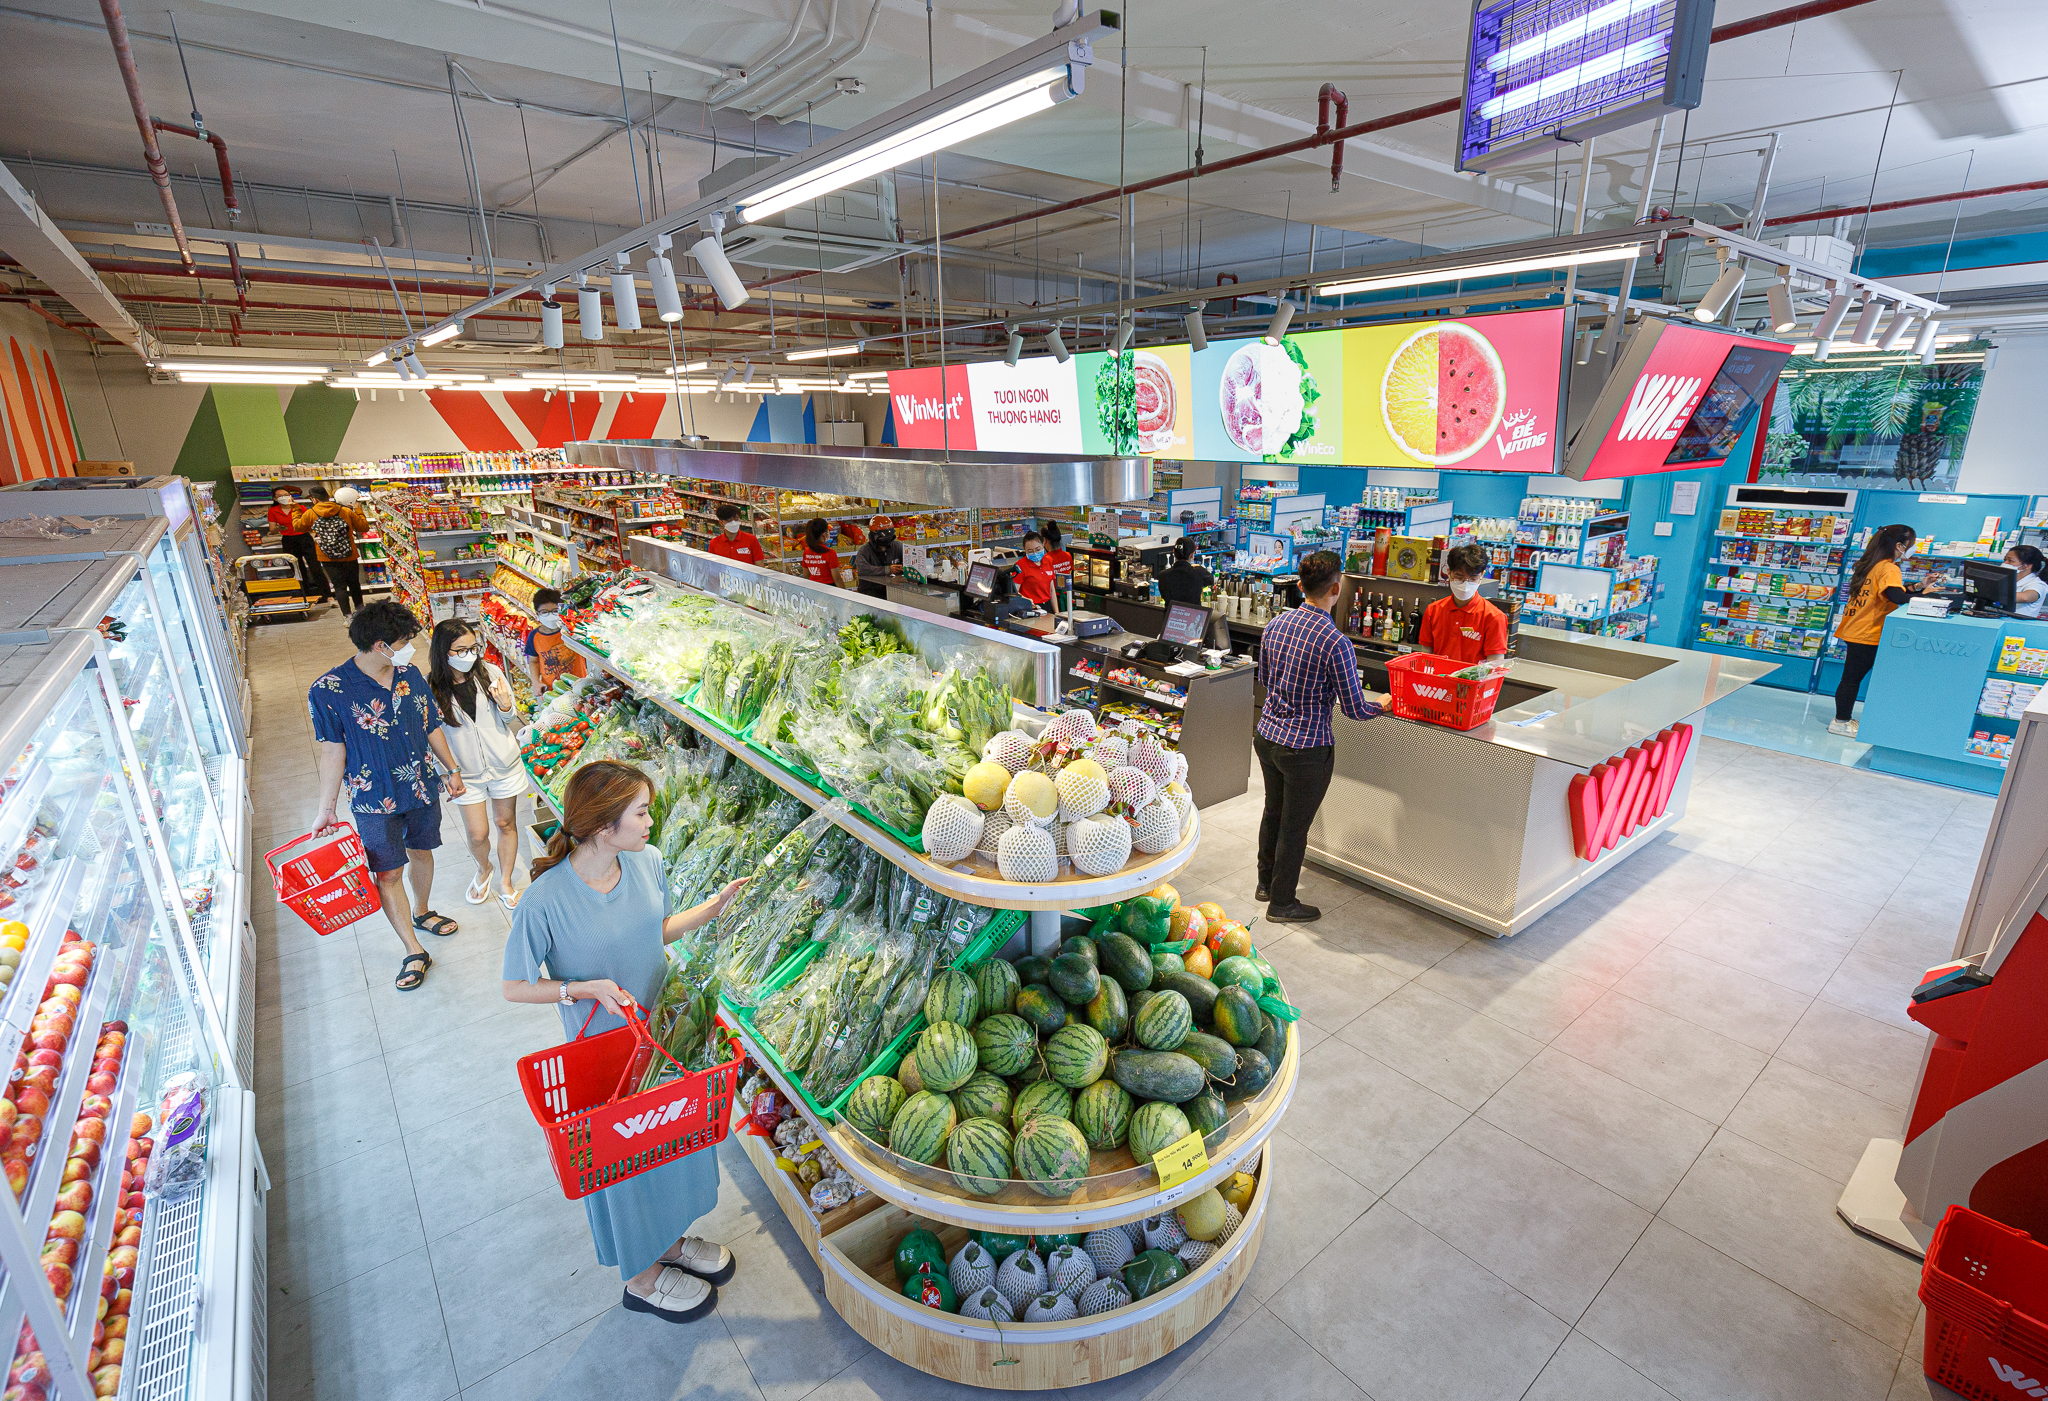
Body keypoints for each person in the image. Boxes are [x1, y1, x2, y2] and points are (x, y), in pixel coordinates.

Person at [501, 760, 748, 1321]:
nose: (651, 819)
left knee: (669, 1147)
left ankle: (667, 1244)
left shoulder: (647, 862)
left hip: (662, 1039)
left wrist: (712, 910)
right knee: (623, 1161)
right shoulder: (545, 899)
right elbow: (515, 986)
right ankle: (641, 1277)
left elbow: (653, 930)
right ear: (602, 827)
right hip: (605, 1055)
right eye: (641, 811)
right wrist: (580, 989)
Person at [309, 600, 467, 990]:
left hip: (419, 784)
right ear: (380, 645)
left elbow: (430, 725)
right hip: (373, 798)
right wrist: (326, 809)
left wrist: (452, 770)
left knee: (422, 851)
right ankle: (413, 950)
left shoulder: (409, 673)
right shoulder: (328, 690)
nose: (410, 646)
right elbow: (333, 749)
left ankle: (422, 910)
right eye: (403, 640)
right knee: (389, 870)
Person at [1253, 550, 1380, 923]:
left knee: (1272, 812)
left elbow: (1265, 680)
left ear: (1299, 586)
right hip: (1307, 748)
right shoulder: (1336, 642)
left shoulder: (1276, 625)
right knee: (1295, 828)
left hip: (1267, 737)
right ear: (1336, 589)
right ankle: (1282, 903)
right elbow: (1355, 708)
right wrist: (1384, 705)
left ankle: (1265, 885)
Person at [428, 620, 530, 911]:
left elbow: (510, 721)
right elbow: (430, 736)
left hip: (503, 764)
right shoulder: (431, 688)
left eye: (473, 647)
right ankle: (484, 868)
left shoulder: (491, 673)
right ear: (442, 652)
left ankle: (506, 881)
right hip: (465, 772)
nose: (469, 654)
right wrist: (445, 771)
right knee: (478, 833)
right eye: (460, 649)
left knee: (505, 823)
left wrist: (507, 706)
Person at [1832, 524, 1941, 737]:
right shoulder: (1890, 567)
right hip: (1868, 632)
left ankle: (1843, 718)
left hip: (1856, 627)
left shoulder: (1872, 563)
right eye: (1911, 545)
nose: (1913, 549)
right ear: (1899, 546)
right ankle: (1840, 721)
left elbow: (1888, 592)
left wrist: (1919, 586)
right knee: (1852, 679)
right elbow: (1896, 597)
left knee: (1851, 678)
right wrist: (1927, 596)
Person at [1416, 543, 1510, 664]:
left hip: (1472, 682)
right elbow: (1425, 655)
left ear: (1482, 575)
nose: (1465, 584)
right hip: (1438, 680)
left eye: (1472, 579)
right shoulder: (1433, 610)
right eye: (1459, 577)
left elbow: (1495, 664)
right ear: (1449, 573)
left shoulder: (1494, 617)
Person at [296, 485, 371, 619]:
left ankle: (348, 617)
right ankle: (361, 613)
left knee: (339, 586)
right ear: (328, 497)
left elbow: (298, 527)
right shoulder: (345, 511)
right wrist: (358, 510)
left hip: (327, 556)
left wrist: (295, 510)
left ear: (314, 500)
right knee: (354, 584)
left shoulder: (311, 513)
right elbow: (363, 527)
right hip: (349, 554)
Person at [267, 485, 330, 607]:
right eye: (280, 496)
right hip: (288, 540)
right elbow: (272, 529)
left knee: (315, 567)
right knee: (298, 570)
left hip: (304, 538)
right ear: (275, 499)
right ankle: (305, 595)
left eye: (286, 495)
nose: (284, 498)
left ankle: (326, 595)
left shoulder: (300, 507)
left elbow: (311, 522)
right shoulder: (273, 511)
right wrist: (278, 528)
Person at [524, 587, 588, 689]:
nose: (550, 616)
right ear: (536, 614)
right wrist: (536, 682)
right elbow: (533, 661)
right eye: (544, 612)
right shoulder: (534, 637)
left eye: (555, 611)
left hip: (579, 685)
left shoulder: (572, 630)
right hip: (552, 691)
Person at [1157, 537, 1213, 608]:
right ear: (1192, 555)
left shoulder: (1163, 576)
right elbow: (1210, 580)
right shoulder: (1198, 573)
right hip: (1193, 617)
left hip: (1172, 617)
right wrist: (1199, 567)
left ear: (1174, 552)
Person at [853, 515, 901, 599]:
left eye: (889, 536)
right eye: (883, 536)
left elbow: (909, 560)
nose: (887, 539)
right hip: (870, 592)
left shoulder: (897, 546)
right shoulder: (864, 551)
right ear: (873, 535)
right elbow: (863, 569)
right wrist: (887, 570)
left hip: (892, 591)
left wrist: (903, 567)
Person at [1012, 531, 1056, 610]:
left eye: (1037, 549)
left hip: (1047, 605)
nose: (1035, 553)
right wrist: (1026, 600)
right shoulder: (1020, 566)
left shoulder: (1048, 561)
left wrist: (1057, 613)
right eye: (1030, 551)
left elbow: (1052, 590)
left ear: (1043, 544)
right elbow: (1014, 591)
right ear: (1024, 550)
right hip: (1030, 607)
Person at [2005, 545, 2045, 619]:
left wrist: (1994, 593)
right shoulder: (2008, 580)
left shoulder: (2037, 584)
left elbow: (2026, 597)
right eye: (2005, 560)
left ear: (2027, 565)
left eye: (2010, 561)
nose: (2005, 563)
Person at [1041, 519, 1075, 603]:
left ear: (1045, 540)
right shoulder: (1068, 555)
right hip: (1068, 595)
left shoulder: (1046, 559)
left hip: (1054, 598)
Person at [799, 516, 839, 586]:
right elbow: (837, 578)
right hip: (829, 588)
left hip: (814, 587)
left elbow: (806, 575)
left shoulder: (807, 551)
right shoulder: (830, 553)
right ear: (824, 535)